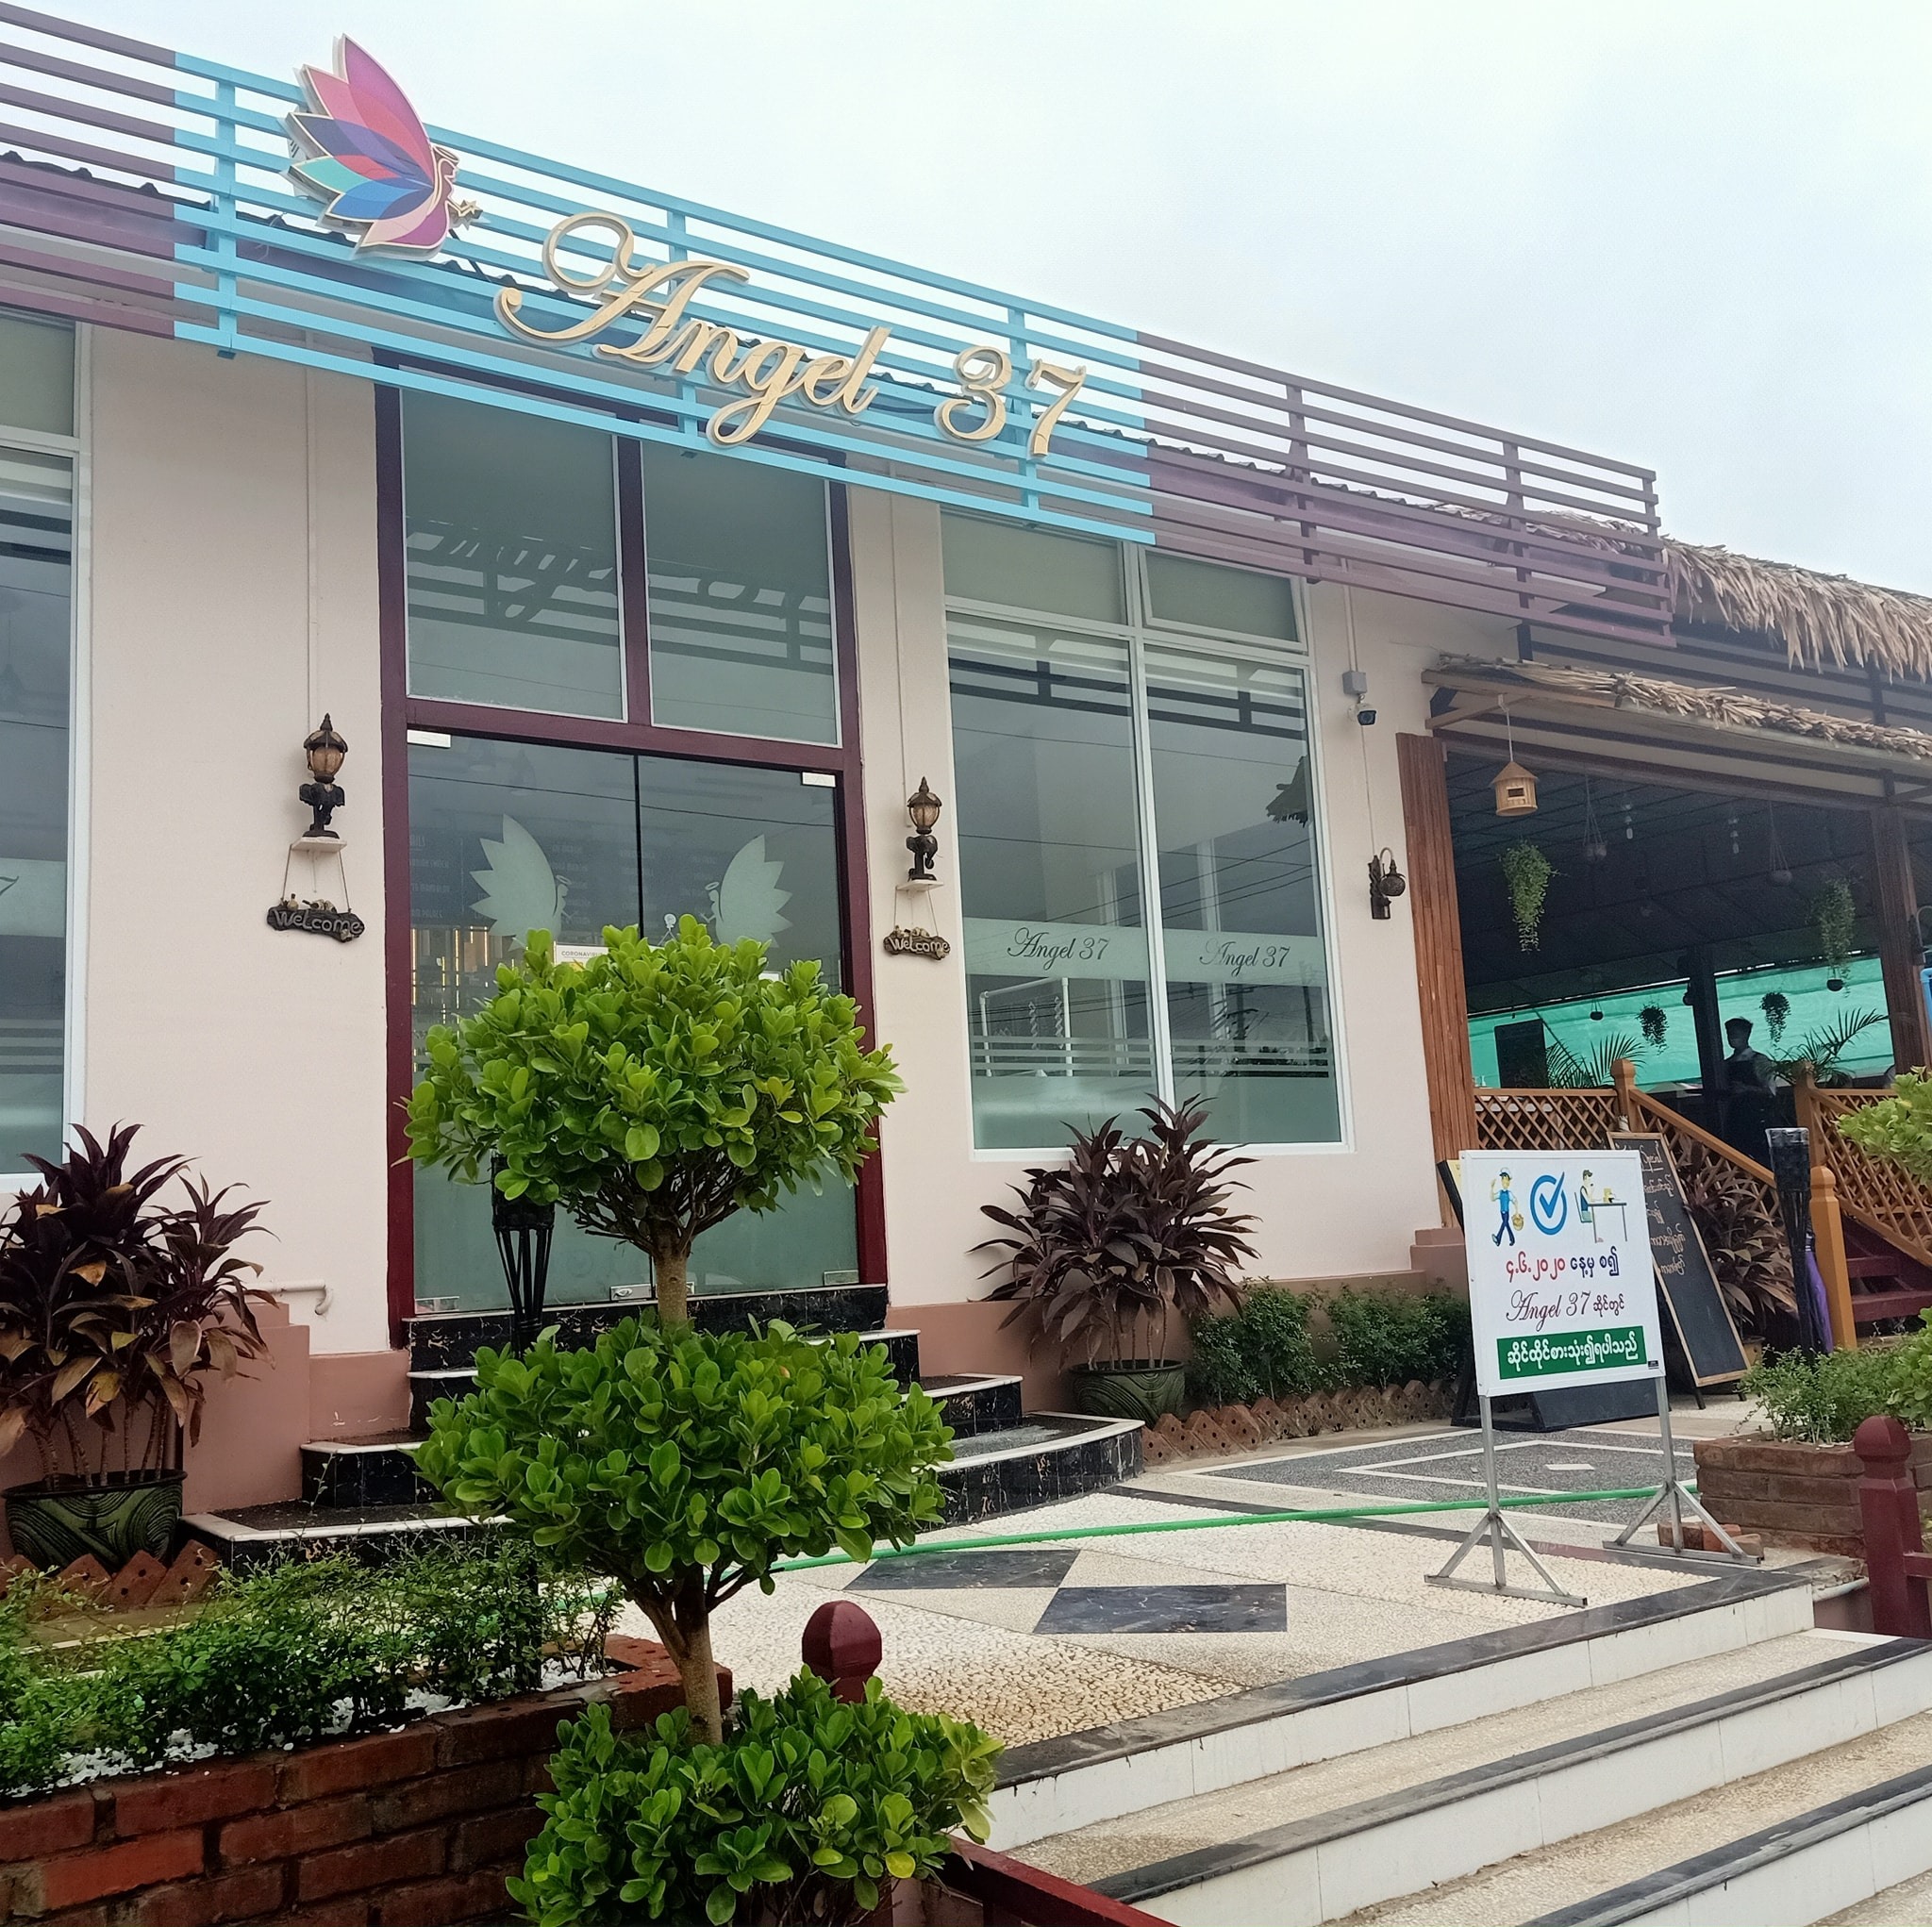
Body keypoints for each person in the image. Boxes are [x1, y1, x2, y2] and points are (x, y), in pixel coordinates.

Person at [1723, 1016, 1778, 1157]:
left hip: (1757, 1117)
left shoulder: (1760, 1060)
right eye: (1730, 1034)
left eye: (1736, 1033)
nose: (1732, 1037)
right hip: (1734, 1118)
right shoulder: (1726, 1063)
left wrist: (1746, 1089)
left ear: (1746, 1034)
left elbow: (1770, 1092)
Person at [1491, 1170, 1516, 1247]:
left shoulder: (1509, 1193)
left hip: (1506, 1212)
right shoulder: (1500, 1193)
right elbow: (1492, 1198)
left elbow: (1515, 1201)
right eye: (1502, 1179)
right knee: (1507, 1225)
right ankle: (1512, 1239)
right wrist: (1492, 1188)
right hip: (1501, 1212)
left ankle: (1498, 1238)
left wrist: (1517, 1211)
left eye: (1505, 1179)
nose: (1504, 1182)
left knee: (1503, 1224)